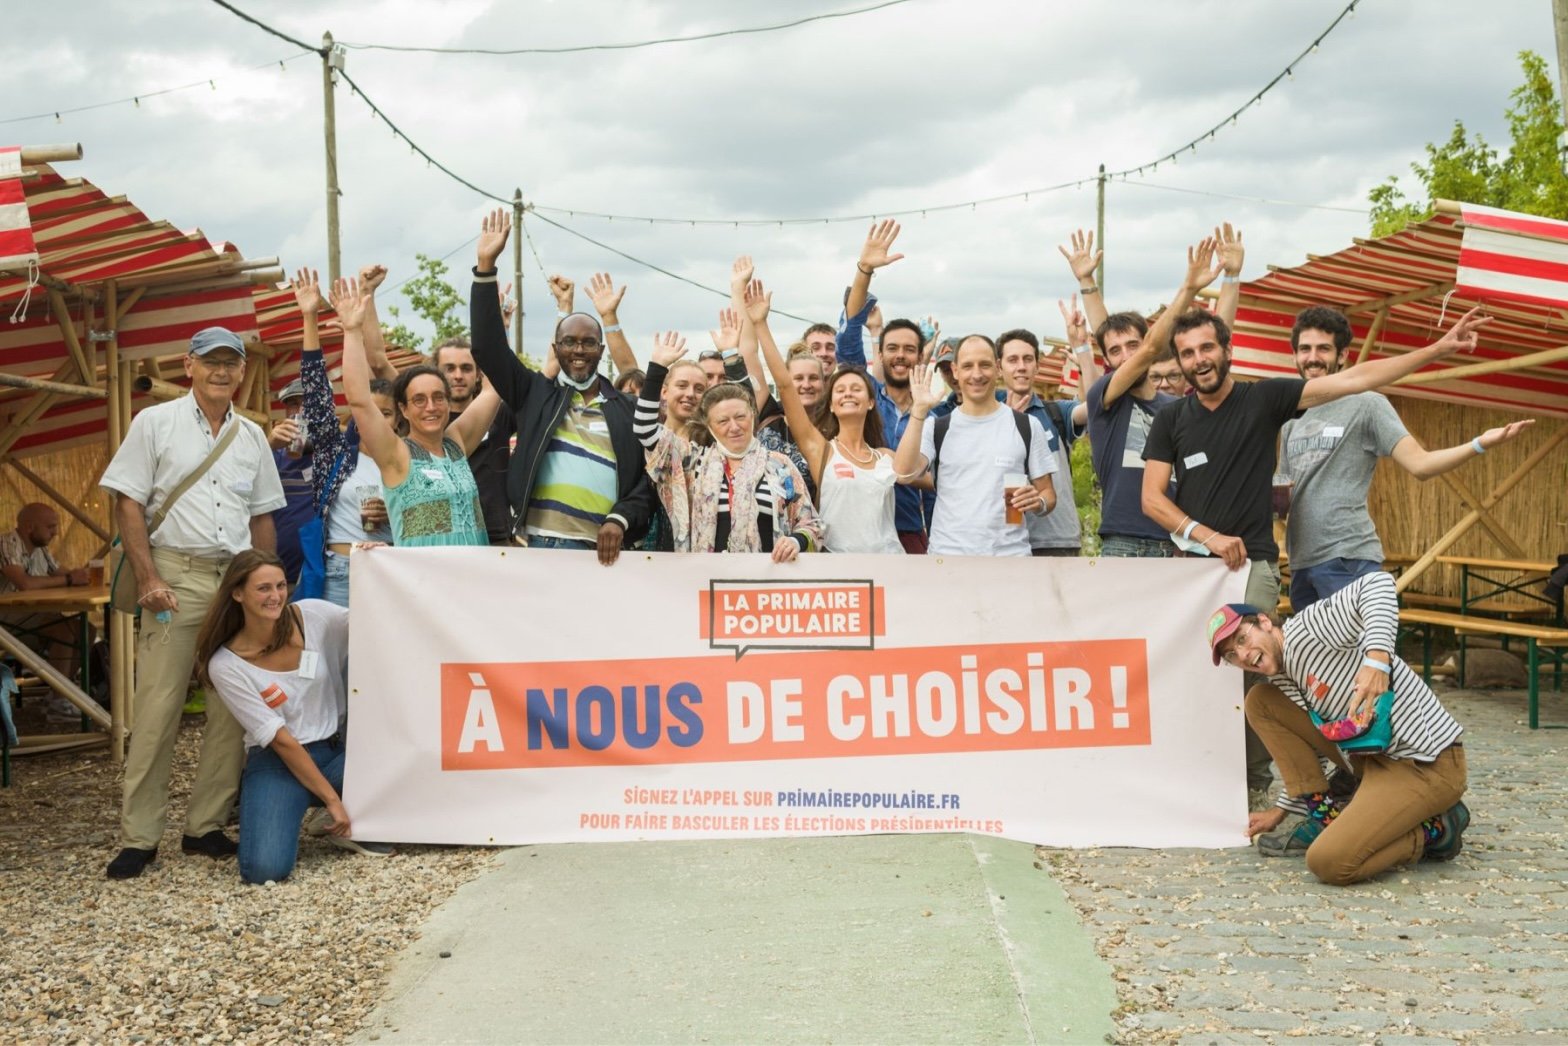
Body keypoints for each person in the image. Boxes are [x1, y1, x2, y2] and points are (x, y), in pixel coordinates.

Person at [1142, 303, 1492, 808]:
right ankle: (1316, 778)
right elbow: (1152, 498)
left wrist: (1437, 348)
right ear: (1179, 361)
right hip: (1209, 569)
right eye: (1188, 352)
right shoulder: (1173, 418)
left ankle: (1277, 782)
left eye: (1207, 347)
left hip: (1259, 565)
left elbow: (1359, 380)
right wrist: (1206, 535)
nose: (1199, 359)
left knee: (1266, 679)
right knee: (1240, 678)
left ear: (1227, 350)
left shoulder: (1263, 400)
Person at [99, 326, 286, 880]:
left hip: (234, 578)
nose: (223, 371)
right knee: (157, 708)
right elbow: (127, 504)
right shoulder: (153, 423)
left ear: (242, 372)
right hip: (173, 575)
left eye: (232, 363)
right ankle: (140, 836)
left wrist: (265, 588)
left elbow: (263, 517)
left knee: (233, 710)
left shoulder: (251, 436)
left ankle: (204, 826)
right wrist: (149, 575)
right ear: (189, 366)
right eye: (212, 362)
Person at [1208, 571, 1469, 884]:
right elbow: (1311, 740)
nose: (1244, 655)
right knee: (1260, 701)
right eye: (1232, 656)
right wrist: (1283, 809)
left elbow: (1378, 584)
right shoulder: (1279, 674)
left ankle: (1438, 830)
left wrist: (1377, 661)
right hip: (1371, 760)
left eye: (1242, 639)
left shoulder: (1309, 629)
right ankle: (1324, 817)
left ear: (1264, 622)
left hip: (1426, 764)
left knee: (1328, 862)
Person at [1279, 305, 1534, 609]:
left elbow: (1421, 465)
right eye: (1305, 349)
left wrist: (1479, 443)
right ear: (1294, 355)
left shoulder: (1367, 404)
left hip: (1347, 559)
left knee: (1360, 656)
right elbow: (1283, 494)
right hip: (1300, 564)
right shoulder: (1290, 417)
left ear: (1343, 355)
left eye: (1323, 348)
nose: (1312, 357)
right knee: (1313, 658)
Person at [194, 550, 389, 884]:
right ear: (237, 593)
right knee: (264, 869)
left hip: (334, 752)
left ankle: (340, 820)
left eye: (281, 586)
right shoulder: (226, 665)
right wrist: (333, 799)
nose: (275, 596)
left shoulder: (312, 616)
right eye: (263, 589)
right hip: (278, 762)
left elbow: (376, 620)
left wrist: (380, 566)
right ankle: (335, 806)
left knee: (407, 799)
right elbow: (282, 742)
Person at [469, 212, 655, 563]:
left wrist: (621, 518)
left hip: (606, 553)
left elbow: (648, 481)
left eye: (588, 343)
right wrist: (485, 265)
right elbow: (487, 349)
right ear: (556, 349)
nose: (579, 351)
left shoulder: (626, 408)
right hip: (541, 547)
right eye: (569, 342)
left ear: (601, 350)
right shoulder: (535, 393)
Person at [1070, 237, 1226, 558]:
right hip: (1122, 542)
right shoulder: (1105, 397)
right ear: (1108, 362)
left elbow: (1221, 336)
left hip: (1175, 542)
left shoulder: (1175, 408)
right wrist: (1189, 288)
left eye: (1133, 346)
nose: (1126, 356)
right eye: (1115, 351)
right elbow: (1148, 346)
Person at [742, 268, 909, 554]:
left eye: (857, 388)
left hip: (889, 567)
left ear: (871, 401)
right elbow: (784, 384)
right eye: (840, 390)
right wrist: (760, 325)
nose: (847, 393)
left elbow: (917, 472)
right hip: (836, 567)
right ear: (830, 403)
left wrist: (919, 411)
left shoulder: (886, 456)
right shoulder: (822, 451)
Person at [335, 276, 499, 548]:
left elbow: (492, 390)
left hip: (471, 580)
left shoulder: (456, 443)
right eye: (419, 400)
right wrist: (352, 331)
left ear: (448, 403)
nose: (431, 407)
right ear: (404, 409)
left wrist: (489, 292)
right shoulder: (396, 454)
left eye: (438, 397)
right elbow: (360, 400)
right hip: (423, 582)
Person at [635, 331, 822, 558]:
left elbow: (811, 525)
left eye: (740, 417)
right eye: (723, 421)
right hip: (705, 582)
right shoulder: (693, 460)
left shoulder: (779, 465)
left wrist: (796, 540)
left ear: (753, 416)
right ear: (710, 426)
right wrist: (657, 368)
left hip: (767, 583)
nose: (734, 427)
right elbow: (645, 430)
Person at [290, 267, 397, 606]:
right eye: (371, 409)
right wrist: (309, 317)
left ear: (400, 418)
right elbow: (317, 393)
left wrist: (395, 511)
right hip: (340, 573)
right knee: (333, 659)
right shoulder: (337, 455)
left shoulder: (410, 460)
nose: (378, 419)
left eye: (388, 412)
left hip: (395, 572)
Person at [894, 336, 1056, 557]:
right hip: (948, 557)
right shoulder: (937, 427)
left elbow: (1048, 493)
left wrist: (1037, 502)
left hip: (1011, 557)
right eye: (968, 366)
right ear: (956, 371)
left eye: (985, 365)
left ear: (998, 368)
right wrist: (919, 410)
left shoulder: (1026, 425)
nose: (977, 374)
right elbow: (903, 474)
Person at [833, 221, 935, 553]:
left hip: (910, 531)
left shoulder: (938, 412)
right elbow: (848, 337)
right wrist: (864, 271)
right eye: (892, 349)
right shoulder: (867, 397)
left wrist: (912, 471)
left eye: (909, 349)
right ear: (879, 353)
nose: (900, 356)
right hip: (859, 533)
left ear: (921, 356)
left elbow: (936, 476)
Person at [998, 327, 1083, 556]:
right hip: (1003, 543)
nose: (1021, 367)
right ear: (1000, 366)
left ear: (1038, 364)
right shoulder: (987, 416)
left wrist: (1084, 362)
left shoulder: (1057, 412)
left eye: (1028, 359)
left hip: (1057, 540)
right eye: (1013, 360)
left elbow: (1096, 408)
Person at [432, 333, 515, 545]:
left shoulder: (498, 411)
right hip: (443, 536)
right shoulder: (425, 421)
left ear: (478, 374)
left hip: (495, 536)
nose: (458, 375)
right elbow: (379, 363)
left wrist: (500, 327)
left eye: (466, 368)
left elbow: (499, 377)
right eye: (449, 368)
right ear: (436, 374)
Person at [0, 503, 92, 693]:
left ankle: (62, 692)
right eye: (50, 527)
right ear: (29, 527)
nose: (56, 532)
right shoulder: (7, 544)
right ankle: (60, 699)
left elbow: (64, 574)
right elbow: (24, 584)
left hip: (32, 617)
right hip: (7, 620)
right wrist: (69, 579)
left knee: (87, 630)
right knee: (64, 631)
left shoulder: (40, 550)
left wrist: (82, 577)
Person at [265, 379, 314, 585]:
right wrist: (267, 447)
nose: (301, 411)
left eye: (310, 403)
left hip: (328, 578)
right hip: (282, 579)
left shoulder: (340, 454)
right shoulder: (271, 455)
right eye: (293, 404)